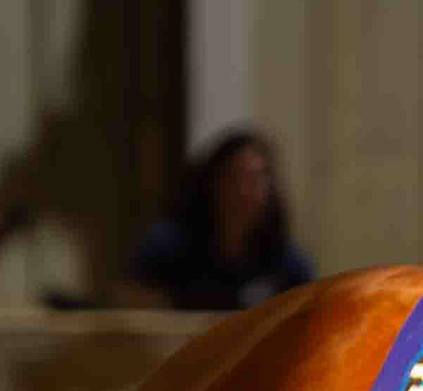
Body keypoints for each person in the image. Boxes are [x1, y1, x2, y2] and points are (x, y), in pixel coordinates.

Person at [125, 125, 314, 310]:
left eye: (255, 178)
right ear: (212, 183)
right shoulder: (167, 246)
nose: (244, 191)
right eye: (234, 177)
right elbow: (131, 301)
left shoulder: (288, 262)